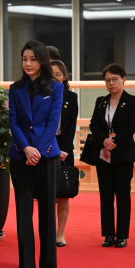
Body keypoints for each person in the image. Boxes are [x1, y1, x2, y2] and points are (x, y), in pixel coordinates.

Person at [8, 40, 63, 268]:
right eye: (24, 59)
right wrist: (26, 149)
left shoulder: (55, 87)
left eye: (32, 59)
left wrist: (37, 150)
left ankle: (47, 263)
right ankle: (25, 262)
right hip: (21, 156)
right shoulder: (15, 88)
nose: (28, 64)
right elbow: (13, 122)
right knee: (22, 209)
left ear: (42, 61)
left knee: (47, 211)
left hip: (47, 155)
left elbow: (53, 123)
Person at [89, 64, 135, 248]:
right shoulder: (101, 101)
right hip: (104, 155)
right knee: (106, 196)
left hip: (123, 155)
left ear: (123, 79)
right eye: (108, 80)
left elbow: (131, 127)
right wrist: (104, 140)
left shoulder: (132, 101)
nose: (111, 83)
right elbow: (93, 124)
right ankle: (108, 234)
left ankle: (122, 235)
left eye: (115, 79)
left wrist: (114, 141)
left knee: (123, 196)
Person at [51, 60, 78, 247]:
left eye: (58, 74)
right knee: (45, 192)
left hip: (64, 147)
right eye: (51, 74)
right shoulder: (39, 95)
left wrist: (65, 150)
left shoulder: (71, 97)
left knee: (63, 192)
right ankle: (46, 231)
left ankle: (60, 233)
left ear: (64, 77)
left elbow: (71, 127)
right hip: (44, 146)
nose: (54, 78)